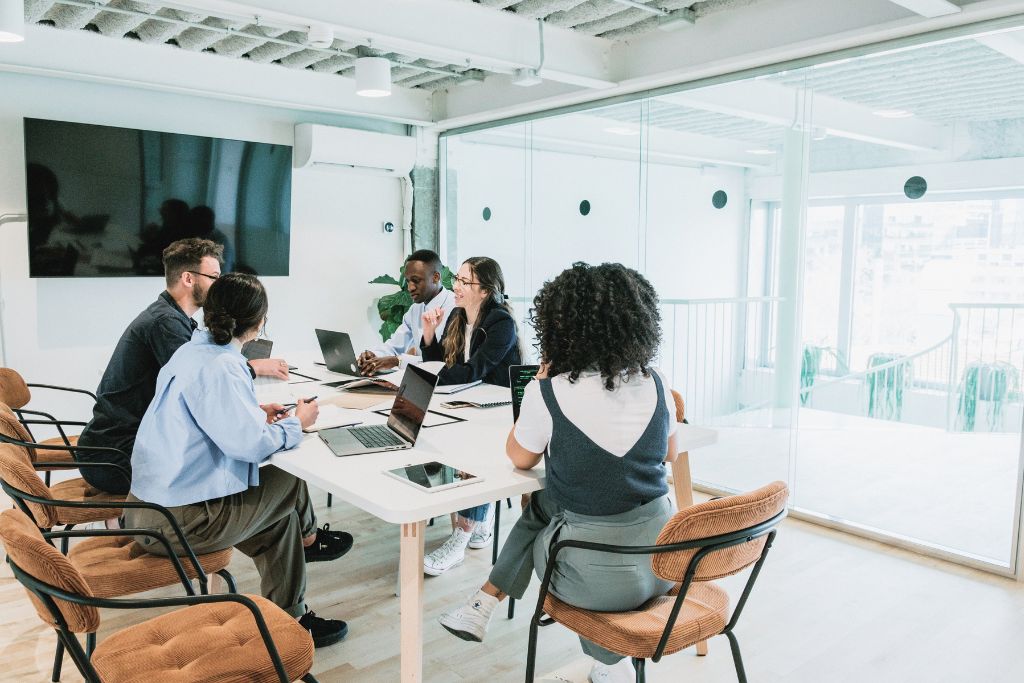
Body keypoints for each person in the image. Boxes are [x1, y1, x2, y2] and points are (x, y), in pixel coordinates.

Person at [437, 263, 679, 683]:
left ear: (560, 327)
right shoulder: (657, 383)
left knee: (539, 510)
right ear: (636, 322)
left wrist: (539, 388)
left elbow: (519, 457)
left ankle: (492, 607)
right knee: (551, 503)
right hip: (665, 563)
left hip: (595, 580)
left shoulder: (549, 390)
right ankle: (483, 605)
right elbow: (668, 454)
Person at [125, 273, 353, 648]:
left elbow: (209, 420)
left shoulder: (191, 352)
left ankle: (290, 624)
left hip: (146, 509)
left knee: (279, 522)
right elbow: (250, 447)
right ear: (259, 323)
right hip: (176, 522)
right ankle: (311, 539)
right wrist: (297, 423)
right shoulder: (223, 366)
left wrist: (254, 412)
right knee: (287, 478)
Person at [76, 238, 290, 494]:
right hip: (117, 457)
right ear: (189, 279)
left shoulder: (171, 317)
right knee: (242, 465)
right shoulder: (166, 324)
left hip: (110, 445)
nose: (219, 285)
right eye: (214, 277)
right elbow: (202, 389)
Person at [420, 256, 523, 575]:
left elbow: (473, 371)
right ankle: (475, 515)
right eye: (458, 279)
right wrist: (428, 334)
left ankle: (460, 538)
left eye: (465, 282)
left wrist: (433, 378)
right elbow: (441, 364)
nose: (457, 286)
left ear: (485, 290)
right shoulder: (456, 315)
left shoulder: (501, 322)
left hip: (501, 411)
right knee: (430, 435)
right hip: (467, 403)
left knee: (471, 456)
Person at [356, 249, 455, 376]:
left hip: (446, 383)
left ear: (436, 277)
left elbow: (443, 363)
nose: (410, 288)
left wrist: (398, 361)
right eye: (408, 281)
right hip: (421, 379)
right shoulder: (415, 309)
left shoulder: (455, 308)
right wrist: (373, 356)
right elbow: (395, 345)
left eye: (416, 280)